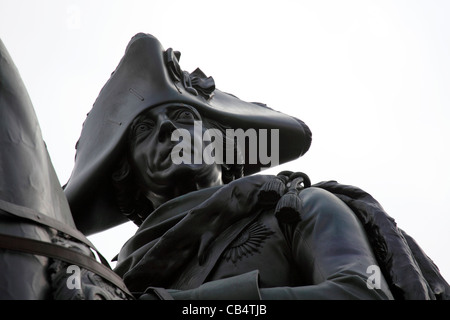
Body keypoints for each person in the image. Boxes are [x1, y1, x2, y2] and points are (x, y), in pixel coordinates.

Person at [63, 33, 450, 300]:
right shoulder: (112, 285)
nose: (167, 129)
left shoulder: (299, 209)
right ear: (124, 173)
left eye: (182, 116)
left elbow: (361, 293)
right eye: (144, 130)